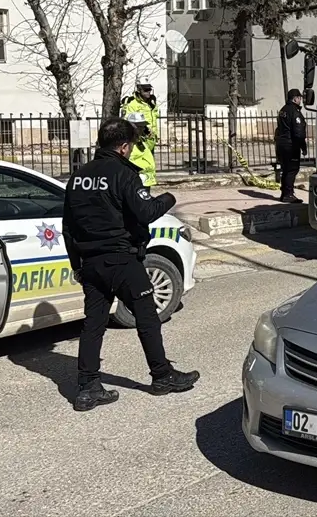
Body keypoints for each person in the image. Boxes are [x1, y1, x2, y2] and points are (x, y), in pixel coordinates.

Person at [63, 117, 199, 412]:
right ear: (124, 147)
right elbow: (146, 212)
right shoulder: (124, 174)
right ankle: (162, 376)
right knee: (147, 317)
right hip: (122, 259)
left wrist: (77, 265)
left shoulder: (78, 176)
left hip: (91, 262)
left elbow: (68, 228)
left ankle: (87, 387)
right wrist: (169, 197)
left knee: (93, 324)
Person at [120, 81, 159, 188]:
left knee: (148, 163)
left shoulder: (152, 103)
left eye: (149, 89)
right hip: (140, 139)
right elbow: (129, 121)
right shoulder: (132, 103)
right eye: (145, 90)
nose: (148, 92)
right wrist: (143, 130)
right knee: (138, 163)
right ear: (139, 90)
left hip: (150, 140)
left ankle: (147, 185)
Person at [274, 88, 307, 203]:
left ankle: (285, 193)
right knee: (292, 169)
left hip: (281, 144)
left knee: (286, 169)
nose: (300, 100)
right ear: (295, 98)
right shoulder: (294, 112)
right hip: (290, 145)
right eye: (299, 98)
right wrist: (303, 146)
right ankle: (288, 194)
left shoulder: (283, 110)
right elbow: (298, 132)